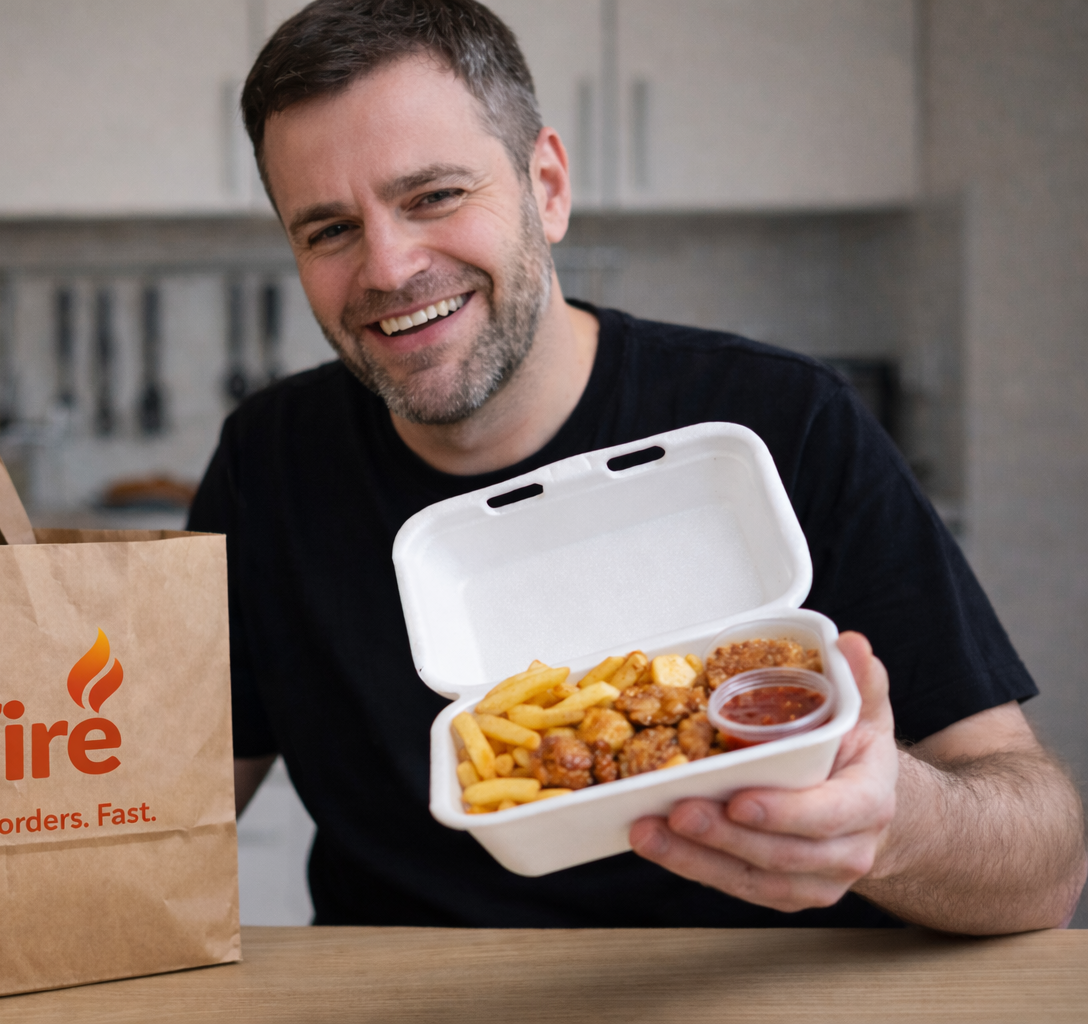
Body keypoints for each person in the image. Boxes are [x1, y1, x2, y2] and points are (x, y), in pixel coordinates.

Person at [188, 0, 1085, 932]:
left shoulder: (785, 421)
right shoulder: (267, 462)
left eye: (435, 196)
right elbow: (173, 808)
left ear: (547, 186)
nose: (387, 265)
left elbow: (1046, 867)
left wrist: (893, 825)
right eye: (328, 229)